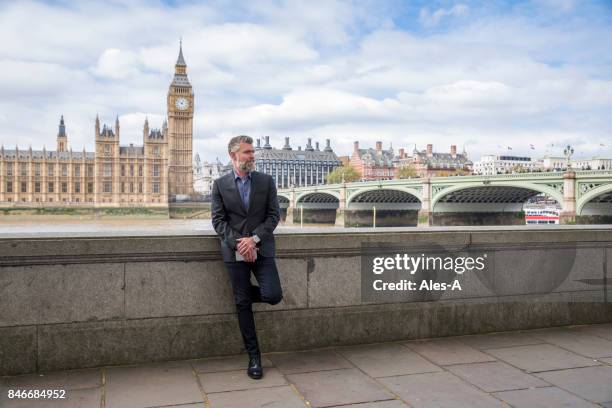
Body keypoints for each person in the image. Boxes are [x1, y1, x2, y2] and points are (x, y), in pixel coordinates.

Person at [211, 135, 283, 379]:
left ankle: (242, 293)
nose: (253, 156)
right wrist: (239, 244)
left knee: (273, 295)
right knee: (242, 304)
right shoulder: (220, 185)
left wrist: (254, 239)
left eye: (253, 152)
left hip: (261, 248)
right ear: (234, 155)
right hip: (234, 251)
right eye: (248, 152)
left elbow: (274, 216)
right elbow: (218, 221)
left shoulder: (266, 181)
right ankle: (254, 357)